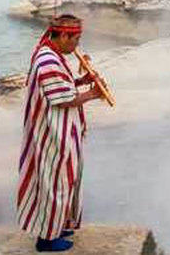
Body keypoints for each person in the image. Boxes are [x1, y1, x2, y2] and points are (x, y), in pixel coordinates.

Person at [16, 14, 104, 252]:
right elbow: (63, 99)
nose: (77, 44)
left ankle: (59, 223)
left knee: (67, 179)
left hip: (62, 131)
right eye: (76, 38)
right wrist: (94, 93)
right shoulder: (47, 61)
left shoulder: (52, 54)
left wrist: (82, 80)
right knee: (55, 182)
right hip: (53, 134)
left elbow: (62, 86)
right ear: (63, 35)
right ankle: (47, 238)